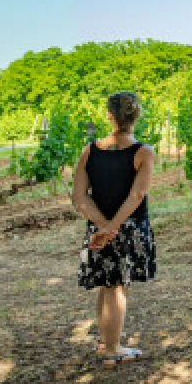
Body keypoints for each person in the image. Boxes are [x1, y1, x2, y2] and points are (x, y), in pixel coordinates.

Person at [70, 92, 157, 367]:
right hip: (128, 228)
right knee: (118, 287)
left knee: (106, 286)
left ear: (110, 115)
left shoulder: (90, 150)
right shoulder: (143, 152)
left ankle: (105, 340)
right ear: (137, 116)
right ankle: (112, 348)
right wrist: (114, 227)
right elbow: (136, 196)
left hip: (99, 228)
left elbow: (79, 196)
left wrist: (102, 226)